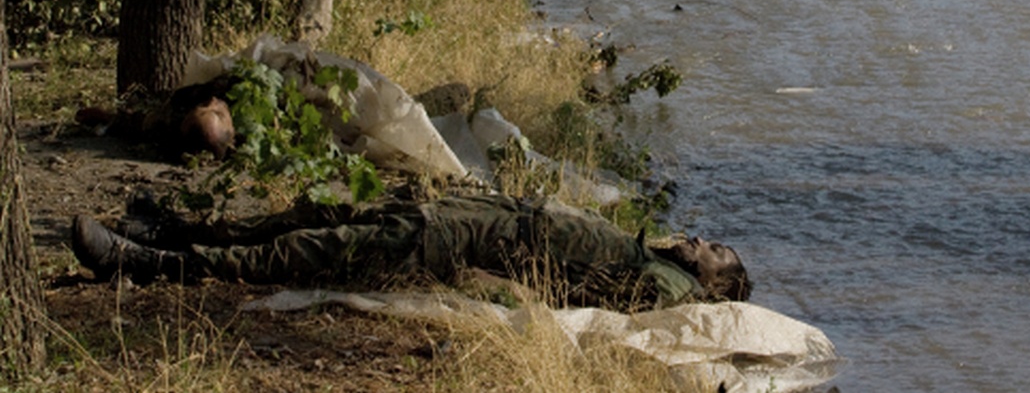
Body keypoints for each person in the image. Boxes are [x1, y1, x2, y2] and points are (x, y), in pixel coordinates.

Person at [70, 192, 752, 311]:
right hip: (473, 215)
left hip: (465, 239)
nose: (700, 240)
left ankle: (145, 265)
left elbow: (580, 292)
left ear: (716, 286)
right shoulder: (655, 257)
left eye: (713, 251)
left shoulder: (668, 286)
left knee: (312, 248)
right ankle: (178, 231)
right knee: (318, 214)